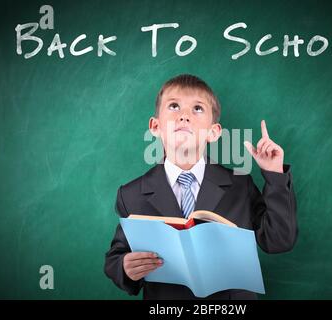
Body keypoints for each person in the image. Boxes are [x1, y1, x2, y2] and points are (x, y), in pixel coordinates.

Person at [104, 74, 297, 299]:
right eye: (174, 106)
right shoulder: (131, 195)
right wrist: (125, 267)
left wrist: (274, 174)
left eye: (197, 109)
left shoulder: (240, 185)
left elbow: (279, 241)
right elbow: (116, 258)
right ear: (155, 126)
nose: (184, 116)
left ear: (213, 132)